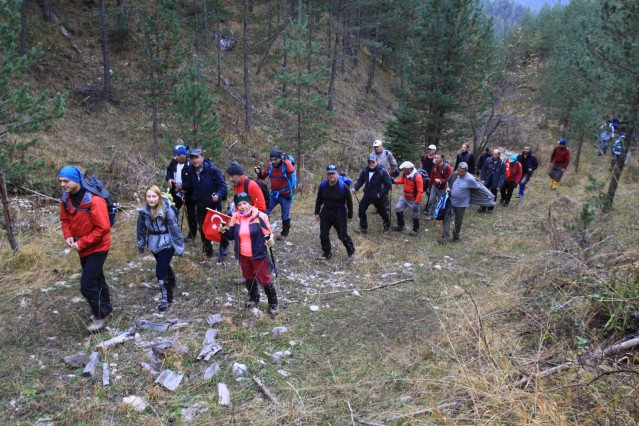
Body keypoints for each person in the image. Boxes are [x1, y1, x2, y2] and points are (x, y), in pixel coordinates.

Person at [58, 166, 112, 332]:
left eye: (66, 181)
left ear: (77, 180)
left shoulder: (94, 200)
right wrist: (68, 236)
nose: (62, 184)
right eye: (60, 181)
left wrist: (82, 243)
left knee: (86, 284)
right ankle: (107, 309)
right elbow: (65, 219)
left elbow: (103, 228)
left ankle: (100, 316)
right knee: (97, 278)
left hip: (98, 247)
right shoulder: (66, 199)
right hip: (83, 247)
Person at [218, 193, 278, 315]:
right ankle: (254, 297)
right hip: (242, 254)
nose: (242, 206)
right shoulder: (235, 217)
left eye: (244, 203)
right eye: (239, 204)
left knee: (264, 279)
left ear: (249, 203)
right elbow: (232, 235)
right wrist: (224, 232)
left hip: (258, 254)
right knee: (249, 277)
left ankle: (273, 304)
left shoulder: (260, 216)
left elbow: (269, 234)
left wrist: (271, 240)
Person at [137, 185, 185, 311]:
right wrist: (141, 243)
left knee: (160, 271)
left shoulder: (167, 211)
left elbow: (174, 229)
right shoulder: (143, 212)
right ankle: (172, 280)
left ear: (159, 197)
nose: (151, 199)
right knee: (163, 265)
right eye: (148, 196)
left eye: (154, 196)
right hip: (153, 243)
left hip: (167, 243)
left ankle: (167, 298)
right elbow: (140, 229)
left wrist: (179, 246)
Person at [182, 149, 228, 257]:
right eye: (193, 158)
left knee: (219, 226)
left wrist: (218, 195)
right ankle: (207, 248)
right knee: (202, 227)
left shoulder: (212, 170)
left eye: (197, 157)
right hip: (200, 204)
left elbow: (223, 186)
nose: (195, 160)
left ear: (202, 157)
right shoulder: (191, 170)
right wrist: (183, 187)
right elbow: (190, 185)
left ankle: (224, 245)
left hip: (214, 203)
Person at [438, 162, 489, 243]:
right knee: (446, 218)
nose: (460, 173)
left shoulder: (470, 179)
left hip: (461, 204)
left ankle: (456, 237)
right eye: (459, 171)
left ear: (466, 171)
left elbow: (477, 187)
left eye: (462, 172)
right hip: (451, 200)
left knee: (458, 221)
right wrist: (448, 187)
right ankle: (445, 238)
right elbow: (448, 181)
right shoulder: (455, 174)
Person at [314, 165, 355, 260]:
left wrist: (350, 216)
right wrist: (317, 213)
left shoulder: (343, 187)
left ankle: (351, 251)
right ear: (327, 174)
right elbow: (319, 199)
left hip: (339, 213)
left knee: (342, 236)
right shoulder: (323, 185)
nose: (331, 175)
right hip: (326, 212)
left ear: (337, 174)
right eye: (329, 173)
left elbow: (349, 201)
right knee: (323, 234)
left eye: (333, 173)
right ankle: (326, 252)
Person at [256, 149, 295, 240]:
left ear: (280, 158)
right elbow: (262, 177)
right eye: (272, 159)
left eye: (275, 159)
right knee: (265, 211)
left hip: (285, 195)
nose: (273, 162)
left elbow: (291, 170)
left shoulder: (286, 166)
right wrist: (258, 173)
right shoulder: (270, 166)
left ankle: (284, 234)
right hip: (273, 194)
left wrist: (286, 160)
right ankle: (266, 231)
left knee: (285, 215)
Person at [352, 154, 392, 234]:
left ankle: (387, 227)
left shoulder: (382, 171)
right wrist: (355, 188)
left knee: (383, 213)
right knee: (361, 210)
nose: (371, 164)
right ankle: (364, 227)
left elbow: (388, 185)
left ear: (376, 162)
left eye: (373, 162)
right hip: (367, 195)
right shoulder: (365, 170)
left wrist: (380, 194)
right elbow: (361, 180)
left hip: (378, 197)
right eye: (369, 162)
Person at [165, 142, 197, 241]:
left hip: (188, 194)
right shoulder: (174, 161)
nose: (176, 157)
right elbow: (168, 171)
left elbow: (194, 181)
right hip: (175, 192)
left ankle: (192, 235)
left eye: (178, 155)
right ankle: (174, 232)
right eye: (176, 155)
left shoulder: (190, 165)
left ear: (184, 155)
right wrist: (169, 179)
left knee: (191, 214)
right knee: (173, 212)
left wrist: (184, 187)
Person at [391, 161, 423, 236]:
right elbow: (402, 181)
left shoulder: (418, 176)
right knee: (398, 208)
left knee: (415, 215)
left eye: (405, 169)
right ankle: (400, 225)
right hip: (405, 196)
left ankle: (415, 230)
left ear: (409, 169)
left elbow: (420, 191)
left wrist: (416, 202)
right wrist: (394, 181)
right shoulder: (405, 174)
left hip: (413, 199)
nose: (403, 171)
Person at [425, 152, 452, 220]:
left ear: (442, 158)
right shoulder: (435, 165)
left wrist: (441, 181)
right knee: (431, 200)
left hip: (443, 188)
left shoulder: (447, 167)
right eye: (435, 157)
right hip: (434, 186)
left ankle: (441, 215)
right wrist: (429, 187)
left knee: (442, 202)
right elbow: (431, 176)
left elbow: (450, 179)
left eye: (438, 158)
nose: (436, 159)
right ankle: (431, 215)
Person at [479, 148, 505, 213]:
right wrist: (482, 179)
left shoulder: (502, 163)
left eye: (495, 154)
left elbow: (502, 175)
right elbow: (483, 170)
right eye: (493, 154)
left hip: (495, 182)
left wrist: (499, 185)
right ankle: (483, 207)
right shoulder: (487, 160)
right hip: (486, 180)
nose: (494, 155)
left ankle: (490, 208)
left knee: (493, 195)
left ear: (499, 155)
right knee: (484, 193)